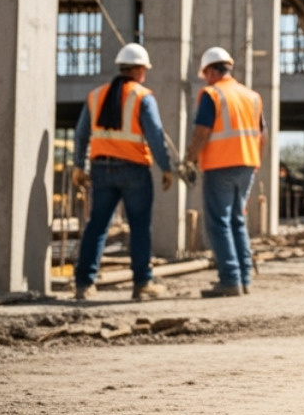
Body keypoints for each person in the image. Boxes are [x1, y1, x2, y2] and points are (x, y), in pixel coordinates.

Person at [71, 44, 175, 301]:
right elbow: (155, 135)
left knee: (97, 226)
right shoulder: (142, 96)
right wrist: (166, 167)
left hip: (101, 169)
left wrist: (78, 166)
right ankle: (142, 284)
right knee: (139, 226)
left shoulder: (96, 95)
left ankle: (84, 285)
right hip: (133, 170)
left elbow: (82, 133)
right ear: (139, 70)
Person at [183, 46, 264, 298]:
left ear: (210, 71)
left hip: (220, 165)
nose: (204, 78)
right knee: (237, 222)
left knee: (219, 223)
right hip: (248, 164)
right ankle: (244, 279)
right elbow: (263, 135)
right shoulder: (252, 96)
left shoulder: (212, 94)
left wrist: (190, 159)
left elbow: (202, 131)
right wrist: (254, 161)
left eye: (205, 73)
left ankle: (230, 279)